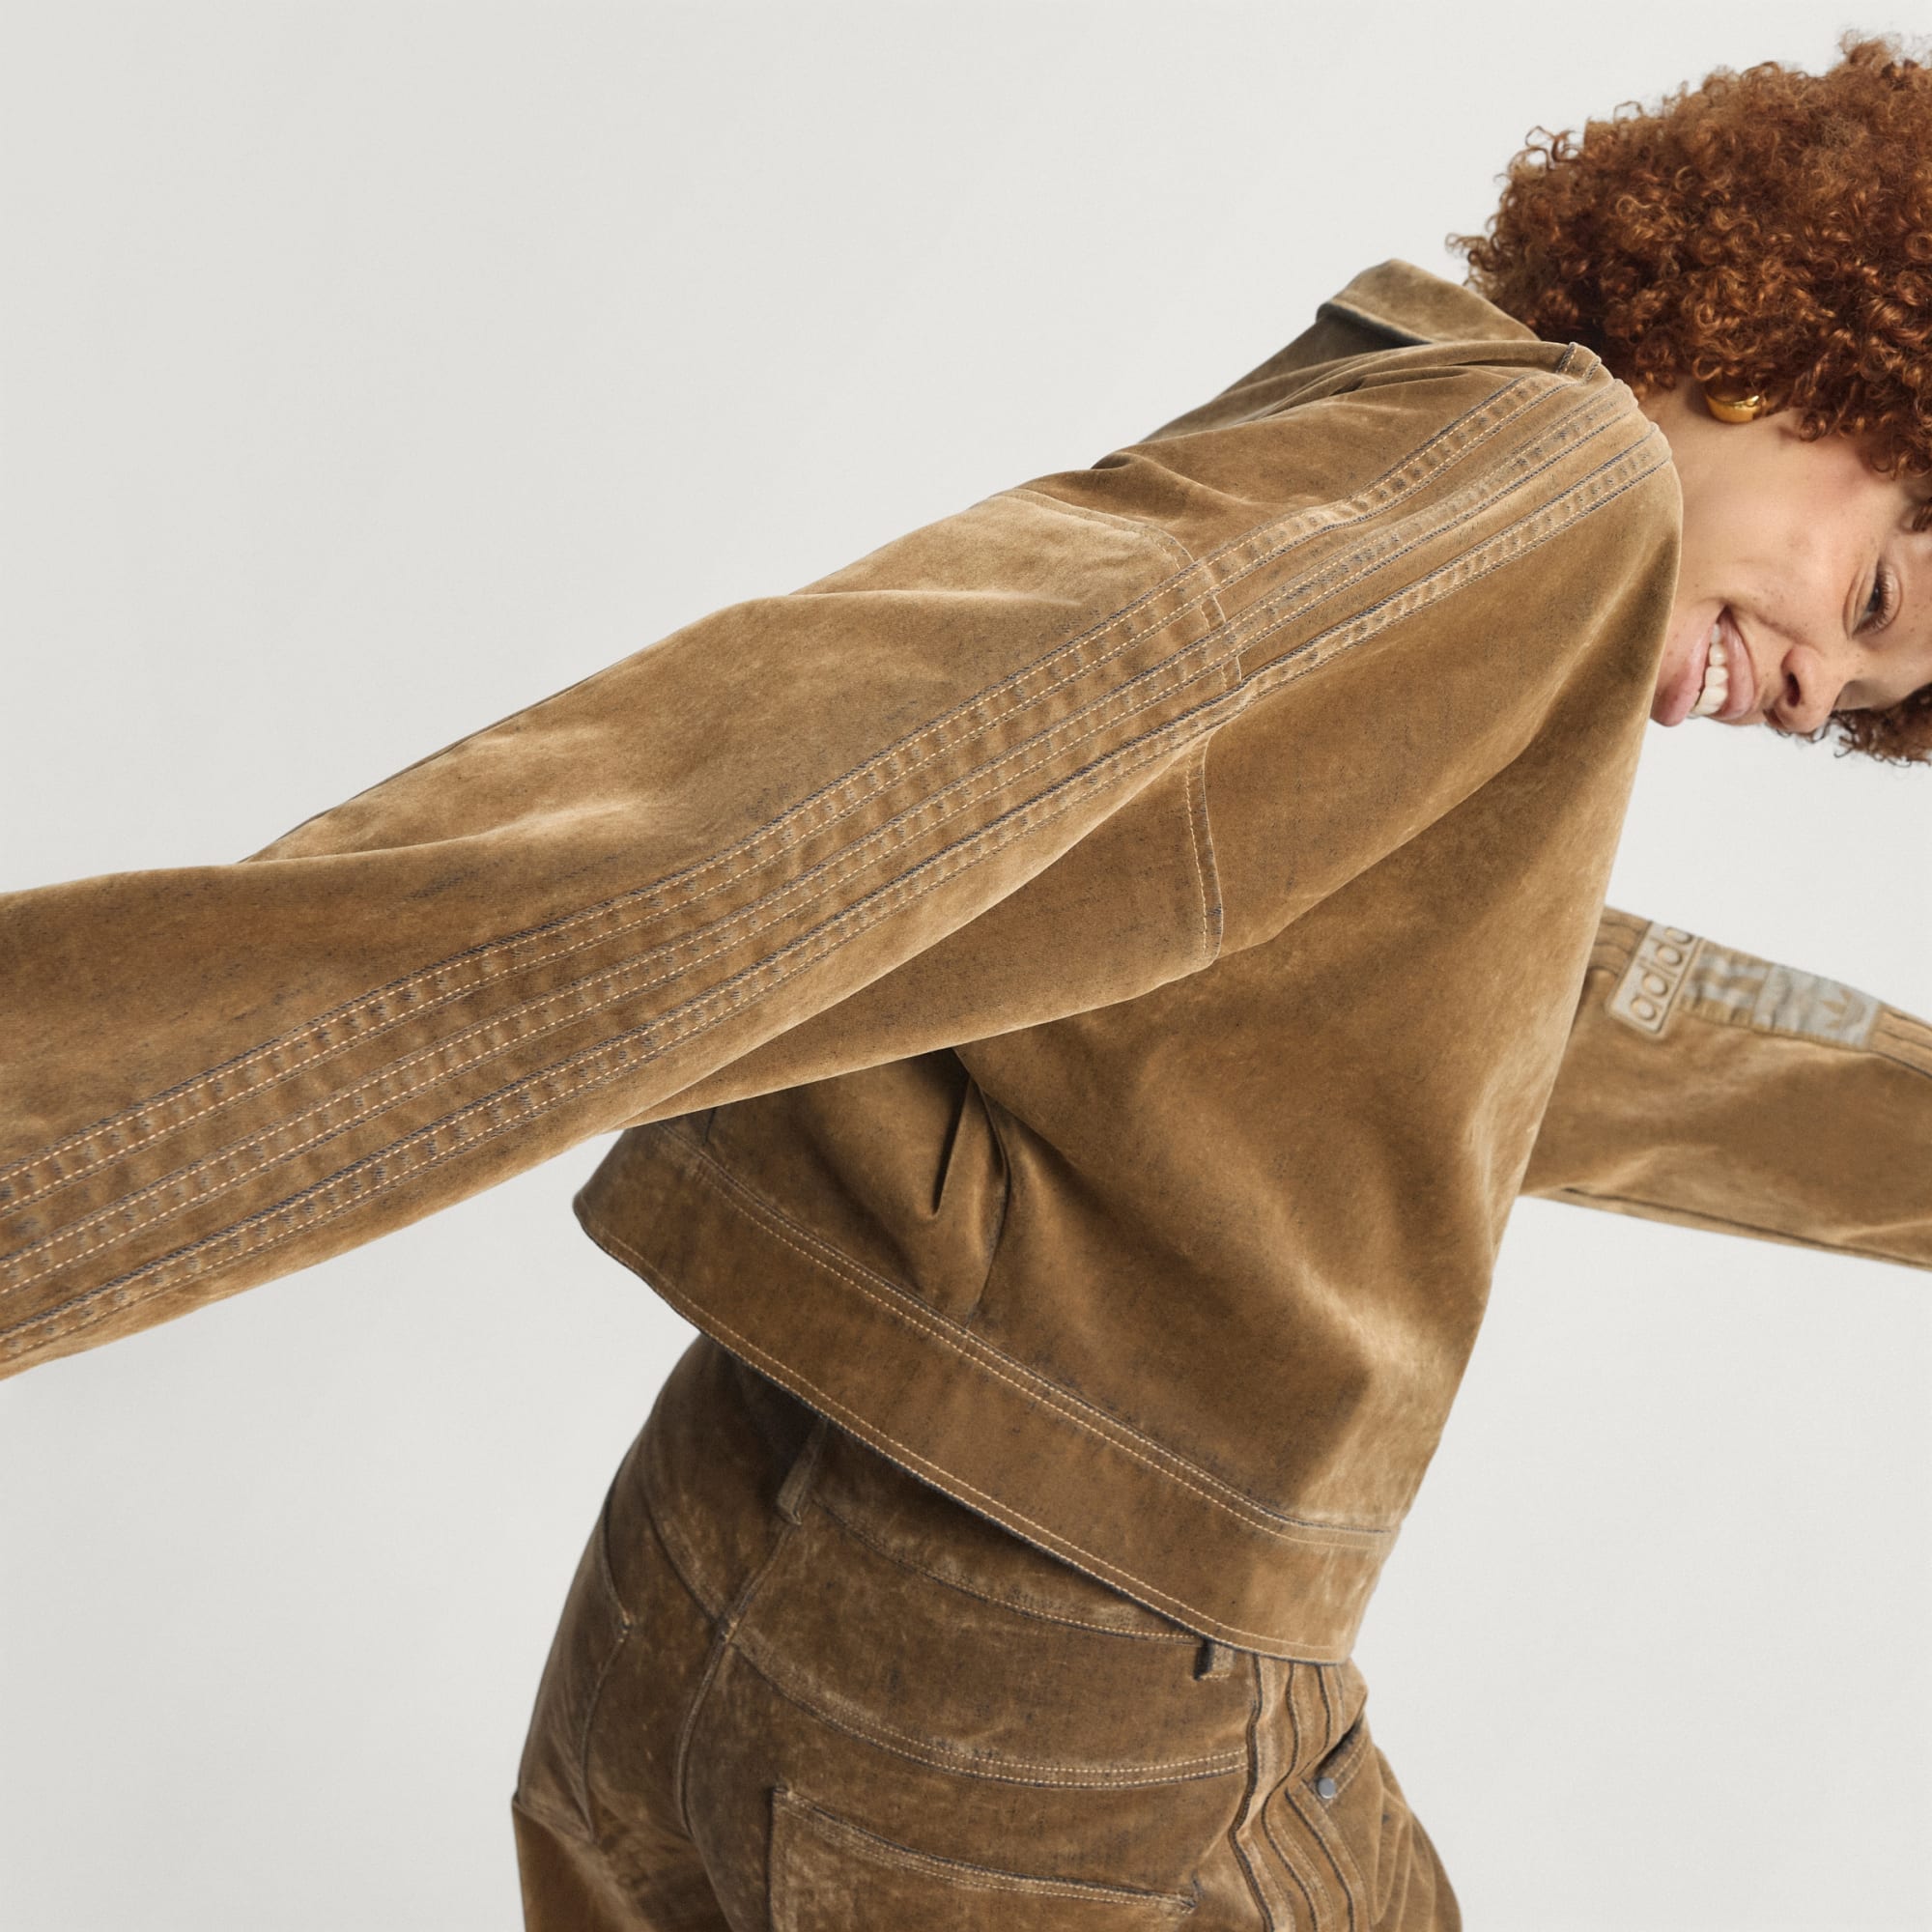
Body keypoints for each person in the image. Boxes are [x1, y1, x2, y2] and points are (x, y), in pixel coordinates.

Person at [4, 33, 1931, 1931]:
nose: (1810, 696)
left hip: (705, 1560)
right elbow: (752, 847)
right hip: (1047, 1706)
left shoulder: (1419, 450)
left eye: (1860, 703)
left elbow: (1472, 1014)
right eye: (1868, 604)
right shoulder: (1550, 484)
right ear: (1809, 349)